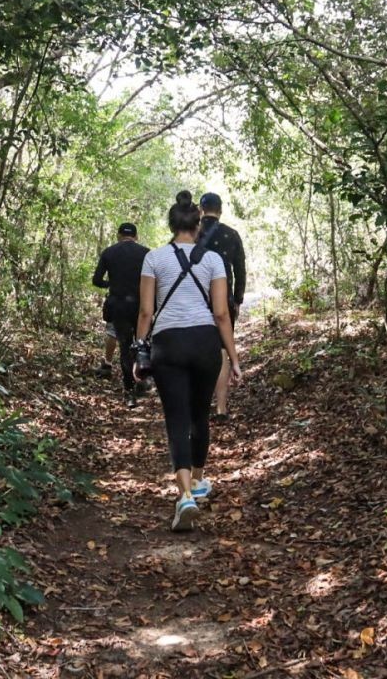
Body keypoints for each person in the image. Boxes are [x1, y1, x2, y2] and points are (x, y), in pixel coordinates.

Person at [135, 192, 242, 531]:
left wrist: (140, 350)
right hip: (204, 343)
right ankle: (197, 481)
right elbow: (222, 313)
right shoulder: (213, 260)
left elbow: (146, 312)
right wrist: (234, 358)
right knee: (199, 415)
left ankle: (184, 495)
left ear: (171, 225)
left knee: (176, 419)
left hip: (168, 345)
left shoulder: (153, 258)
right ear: (198, 226)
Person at [197, 192, 247, 422]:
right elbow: (240, 270)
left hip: (196, 297)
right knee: (222, 351)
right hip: (224, 298)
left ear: (201, 209)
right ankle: (221, 409)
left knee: (197, 349)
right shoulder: (231, 234)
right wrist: (237, 299)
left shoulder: (192, 233)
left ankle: (200, 402)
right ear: (221, 209)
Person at [92, 222, 149, 407]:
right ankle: (142, 381)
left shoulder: (109, 252)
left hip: (118, 305)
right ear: (136, 236)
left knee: (125, 346)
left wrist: (113, 284)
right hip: (141, 306)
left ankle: (128, 391)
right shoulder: (146, 253)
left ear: (118, 235)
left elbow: (97, 280)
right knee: (142, 344)